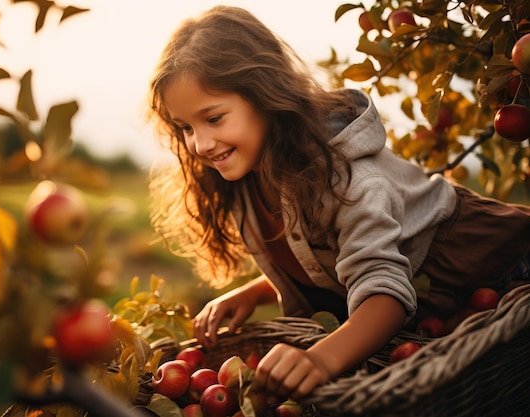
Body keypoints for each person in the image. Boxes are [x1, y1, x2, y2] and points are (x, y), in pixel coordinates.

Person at [146, 5, 530, 401]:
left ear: (264, 96)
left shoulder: (348, 177)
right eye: (186, 127)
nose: (200, 144)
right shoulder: (245, 180)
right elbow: (337, 254)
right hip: (445, 310)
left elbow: (384, 290)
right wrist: (255, 291)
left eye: (214, 118)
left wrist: (320, 361)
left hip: (502, 269)